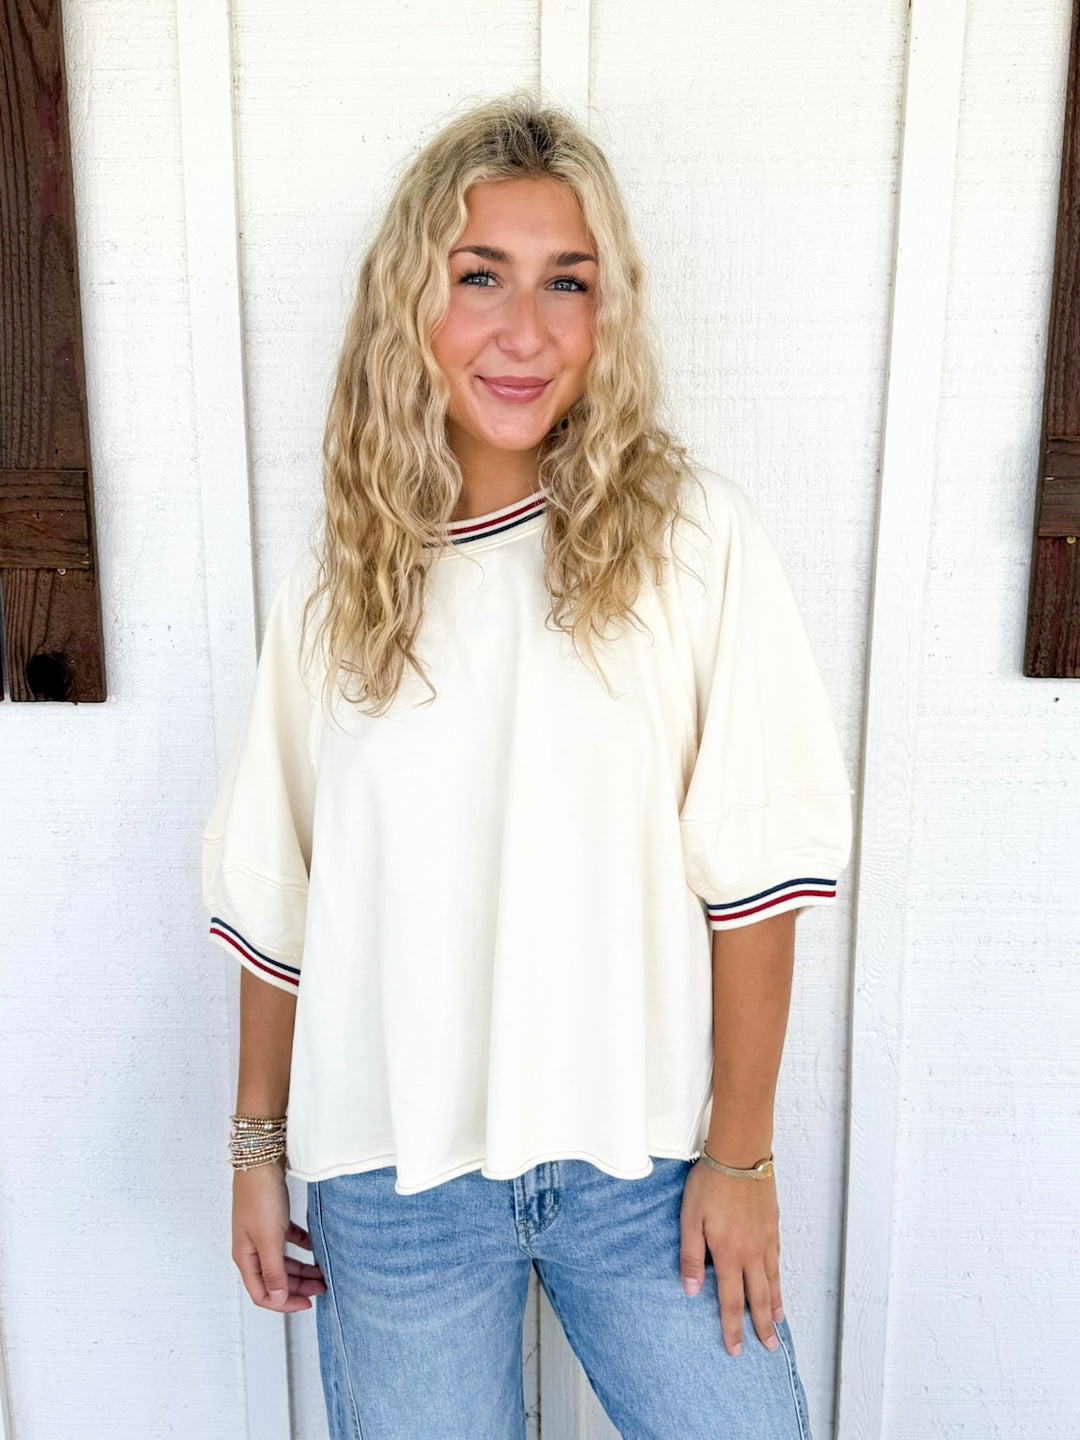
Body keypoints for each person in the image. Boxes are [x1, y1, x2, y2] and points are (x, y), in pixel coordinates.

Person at [201, 91, 852, 1440]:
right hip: (394, 1188)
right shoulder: (339, 585)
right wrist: (256, 1146)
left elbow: (758, 876)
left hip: (646, 1174)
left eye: (568, 281)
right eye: (479, 275)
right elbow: (280, 894)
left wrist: (742, 1154)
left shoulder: (690, 544)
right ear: (411, 304)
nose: (526, 330)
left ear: (608, 313)